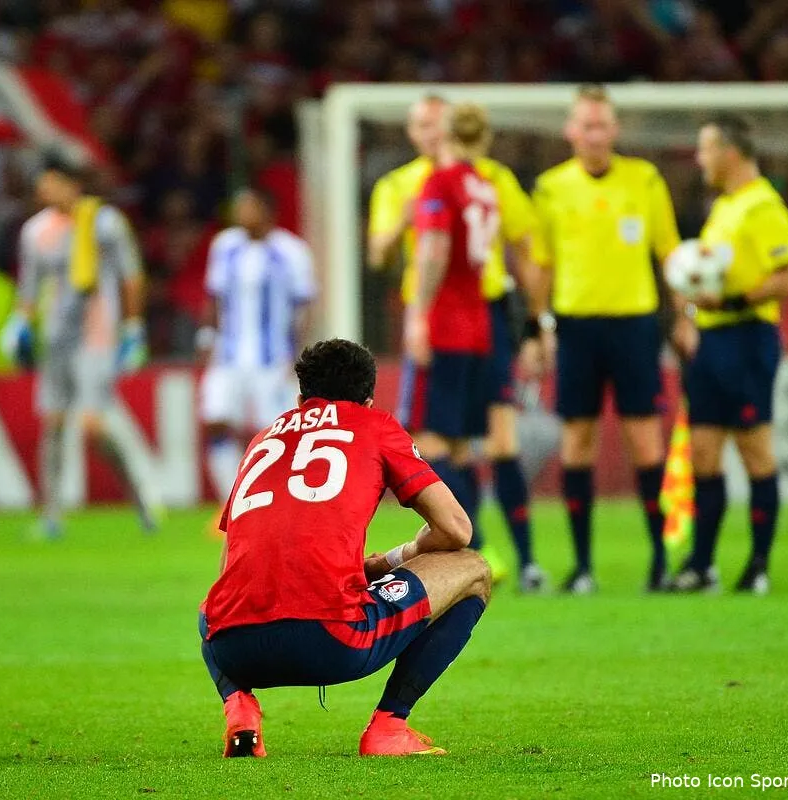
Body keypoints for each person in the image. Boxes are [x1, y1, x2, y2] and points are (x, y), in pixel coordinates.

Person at [200, 338, 490, 758]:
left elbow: (227, 566)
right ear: (368, 400)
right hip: (333, 641)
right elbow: (456, 528)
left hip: (234, 651)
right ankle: (389, 726)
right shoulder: (375, 425)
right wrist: (392, 560)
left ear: (300, 399)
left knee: (213, 607)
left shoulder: (263, 439)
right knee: (474, 569)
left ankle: (239, 709)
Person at [368, 95, 542, 591]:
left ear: (446, 134)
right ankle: (483, 546)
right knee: (465, 445)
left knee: (436, 442)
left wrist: (419, 315)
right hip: (480, 323)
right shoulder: (483, 184)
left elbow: (435, 251)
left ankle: (468, 543)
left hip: (447, 319)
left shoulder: (440, 183)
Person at [528, 84, 681, 593]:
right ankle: (583, 566)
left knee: (644, 440)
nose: (594, 133)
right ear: (571, 130)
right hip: (576, 327)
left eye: (602, 124)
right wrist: (540, 327)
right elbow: (541, 265)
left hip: (634, 324)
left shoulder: (645, 179)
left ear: (615, 130)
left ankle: (661, 562)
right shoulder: (551, 188)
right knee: (578, 441)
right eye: (586, 124)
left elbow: (669, 253)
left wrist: (685, 316)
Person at [670, 114, 788, 594]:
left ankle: (759, 565)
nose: (700, 159)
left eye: (705, 148)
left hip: (747, 337)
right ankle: (702, 565)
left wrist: (728, 302)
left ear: (729, 151)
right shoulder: (725, 207)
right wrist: (690, 312)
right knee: (704, 452)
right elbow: (706, 279)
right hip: (713, 340)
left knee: (753, 448)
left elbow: (787, 279)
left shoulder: (764, 206)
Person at [1, 155, 157, 539]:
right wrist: (19, 322)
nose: (43, 191)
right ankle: (52, 514)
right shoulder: (35, 231)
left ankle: (140, 497)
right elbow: (30, 287)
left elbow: (131, 277)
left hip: (96, 336)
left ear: (72, 184)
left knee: (93, 426)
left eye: (50, 182)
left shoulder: (104, 223)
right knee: (52, 423)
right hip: (55, 339)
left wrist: (133, 328)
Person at [198, 186, 317, 505]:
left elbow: (303, 307)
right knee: (216, 422)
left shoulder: (291, 251)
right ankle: (232, 502)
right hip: (228, 355)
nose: (241, 214)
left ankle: (279, 500)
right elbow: (214, 297)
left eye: (248, 207)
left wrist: (298, 356)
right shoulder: (225, 246)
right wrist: (207, 338)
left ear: (267, 211)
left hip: (273, 358)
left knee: (278, 433)